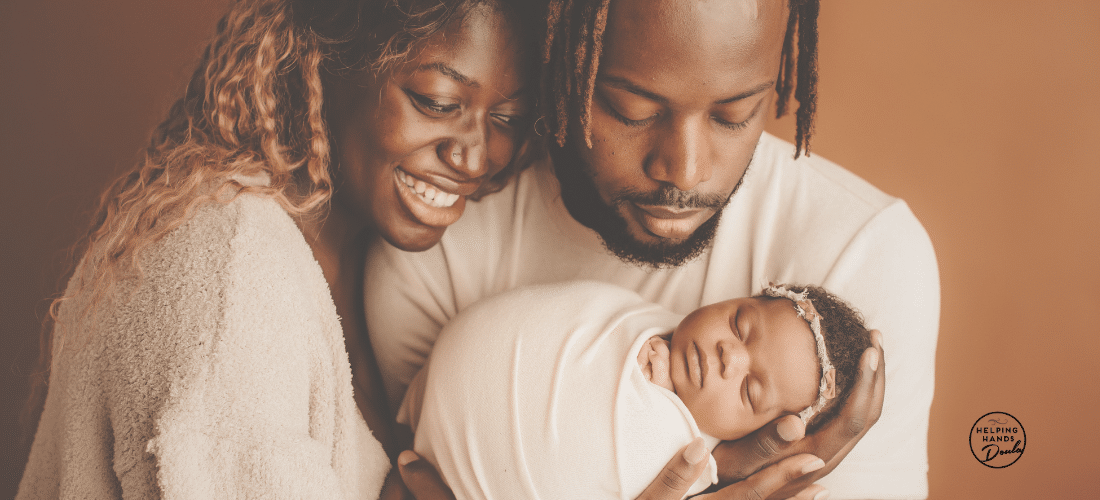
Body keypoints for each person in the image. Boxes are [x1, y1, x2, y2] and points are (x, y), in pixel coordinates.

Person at [366, 0, 938, 498]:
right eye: (632, 109)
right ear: (558, 58)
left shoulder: (859, 255)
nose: (684, 171)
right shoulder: (446, 225)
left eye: (734, 116)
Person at [17, 0, 540, 498]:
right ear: (322, 58)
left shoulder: (366, 266)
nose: (473, 158)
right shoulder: (233, 273)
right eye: (438, 103)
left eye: (507, 120)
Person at [400, 281, 871, 499]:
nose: (731, 356)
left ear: (759, 434)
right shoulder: (641, 316)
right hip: (429, 395)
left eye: (750, 391)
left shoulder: (688, 469)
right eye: (740, 323)